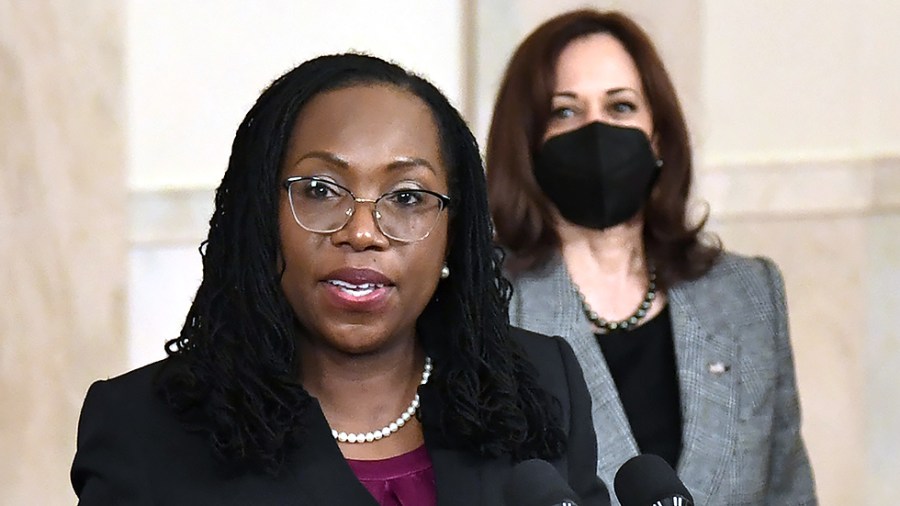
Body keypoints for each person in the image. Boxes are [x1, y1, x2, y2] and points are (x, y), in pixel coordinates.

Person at [70, 53, 609, 505]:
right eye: (321, 190)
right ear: (262, 214)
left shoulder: (539, 387)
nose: (362, 231)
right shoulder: (141, 429)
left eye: (406, 198)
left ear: (454, 230)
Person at [485, 9, 817, 506]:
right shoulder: (489, 304)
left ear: (658, 134)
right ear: (528, 143)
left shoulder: (748, 293)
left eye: (620, 107)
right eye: (565, 112)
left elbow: (788, 489)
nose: (597, 131)